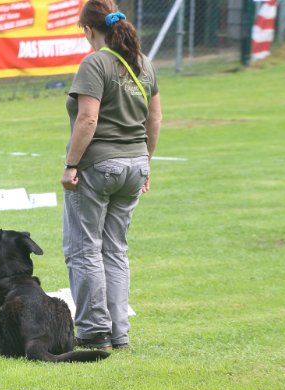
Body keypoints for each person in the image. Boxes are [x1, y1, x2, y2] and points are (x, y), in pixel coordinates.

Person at [61, 0, 162, 350]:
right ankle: (119, 333)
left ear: (90, 30)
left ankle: (94, 331)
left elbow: (88, 118)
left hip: (99, 166)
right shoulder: (144, 63)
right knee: (116, 250)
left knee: (84, 249)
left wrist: (71, 165)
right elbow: (154, 119)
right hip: (136, 165)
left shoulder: (95, 63)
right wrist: (145, 162)